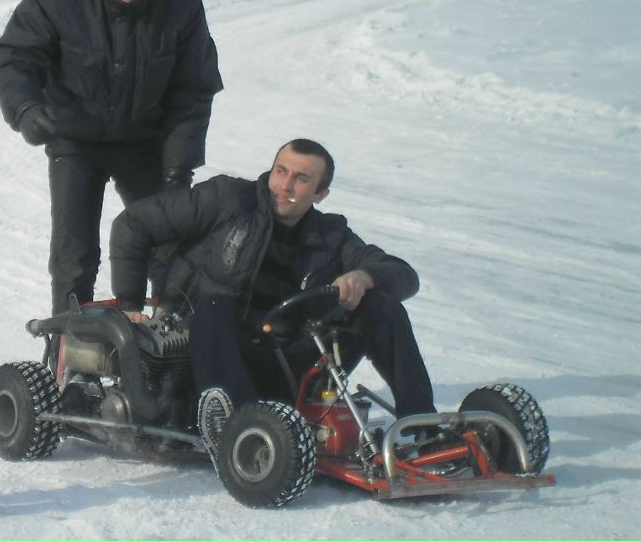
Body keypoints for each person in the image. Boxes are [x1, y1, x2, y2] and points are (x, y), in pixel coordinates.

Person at [109, 138, 434, 453]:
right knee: (215, 301)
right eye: (281, 171)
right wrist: (129, 305)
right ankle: (241, 426)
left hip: (282, 364)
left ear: (320, 194)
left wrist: (364, 277)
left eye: (301, 179)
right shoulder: (227, 198)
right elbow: (134, 224)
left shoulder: (330, 236)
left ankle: (425, 433)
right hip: (202, 355)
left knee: (379, 304)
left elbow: (404, 275)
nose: (285, 185)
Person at [0, 0, 224, 315]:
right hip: (76, 141)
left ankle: (172, 337)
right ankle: (65, 348)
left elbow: (194, 92)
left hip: (145, 144)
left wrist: (177, 170)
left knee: (168, 243)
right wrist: (26, 108)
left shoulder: (181, 5)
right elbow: (15, 56)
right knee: (73, 253)